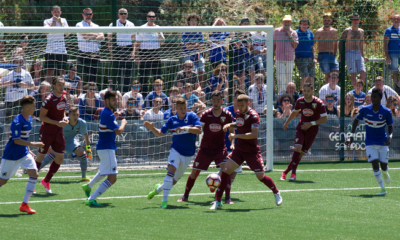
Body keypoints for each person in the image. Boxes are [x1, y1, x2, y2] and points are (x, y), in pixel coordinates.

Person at [211, 94, 282, 210]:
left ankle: (276, 192)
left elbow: (254, 134)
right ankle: (217, 201)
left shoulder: (254, 116)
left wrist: (236, 135)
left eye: (242, 105)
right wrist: (230, 124)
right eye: (238, 105)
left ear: (248, 103)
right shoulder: (238, 113)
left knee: (260, 176)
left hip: (252, 152)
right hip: (239, 150)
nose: (239, 108)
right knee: (226, 171)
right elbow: (239, 123)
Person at [176, 91, 234, 203]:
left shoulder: (227, 115)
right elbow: (198, 129)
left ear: (222, 101)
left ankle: (227, 197)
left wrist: (232, 143)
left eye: (218, 101)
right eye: (214, 100)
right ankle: (185, 196)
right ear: (211, 101)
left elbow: (231, 131)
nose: (216, 103)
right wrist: (186, 130)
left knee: (226, 171)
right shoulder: (206, 114)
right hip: (205, 149)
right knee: (194, 173)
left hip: (219, 149)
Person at [145, 97, 202, 209]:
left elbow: (199, 130)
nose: (183, 110)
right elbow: (160, 133)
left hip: (188, 154)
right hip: (175, 150)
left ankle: (157, 189)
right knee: (171, 171)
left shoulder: (192, 116)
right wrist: (152, 128)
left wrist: (184, 128)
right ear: (175, 108)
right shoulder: (172, 120)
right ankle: (164, 201)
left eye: (184, 107)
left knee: (174, 181)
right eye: (180, 108)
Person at [82, 90, 127, 206]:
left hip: (104, 147)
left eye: (116, 99)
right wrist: (123, 123)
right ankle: (92, 198)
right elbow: (119, 132)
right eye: (113, 100)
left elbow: (109, 126)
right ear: (106, 101)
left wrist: (115, 118)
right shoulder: (107, 113)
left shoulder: (108, 113)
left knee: (103, 172)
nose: (115, 102)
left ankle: (88, 186)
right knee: (112, 178)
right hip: (107, 148)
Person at [0, 96, 45, 214]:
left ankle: (24, 205)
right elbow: (16, 140)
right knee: (3, 181)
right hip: (11, 155)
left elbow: (25, 137)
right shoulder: (17, 121)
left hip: (23, 153)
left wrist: (28, 148)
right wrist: (34, 144)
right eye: (34, 106)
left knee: (34, 173)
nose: (36, 108)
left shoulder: (30, 118)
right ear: (27, 107)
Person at [345, 88, 393, 196]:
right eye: (372, 97)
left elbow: (390, 126)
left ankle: (385, 172)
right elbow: (356, 120)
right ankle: (382, 189)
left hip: (382, 142)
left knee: (384, 166)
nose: (373, 99)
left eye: (375, 97)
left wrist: (390, 136)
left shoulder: (386, 112)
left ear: (380, 98)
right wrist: (351, 137)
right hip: (370, 142)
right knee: (374, 163)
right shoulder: (365, 109)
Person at [281, 83, 328, 181]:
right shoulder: (300, 101)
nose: (305, 93)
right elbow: (295, 112)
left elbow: (324, 118)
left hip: (312, 130)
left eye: (308, 91)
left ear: (312, 92)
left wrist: (311, 123)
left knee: (300, 155)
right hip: (301, 127)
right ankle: (293, 174)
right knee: (297, 148)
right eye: (304, 91)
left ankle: (285, 172)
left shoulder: (319, 103)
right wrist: (286, 122)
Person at [38, 107, 92, 181]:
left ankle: (84, 176)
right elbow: (52, 132)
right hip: (58, 141)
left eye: (77, 114)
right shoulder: (63, 122)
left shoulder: (82, 123)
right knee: (52, 155)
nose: (75, 117)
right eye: (73, 115)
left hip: (70, 141)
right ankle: (34, 171)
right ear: (68, 115)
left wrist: (88, 148)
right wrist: (49, 145)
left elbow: (85, 134)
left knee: (83, 154)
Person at [35, 77, 68, 194]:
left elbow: (62, 109)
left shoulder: (64, 95)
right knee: (40, 157)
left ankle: (46, 180)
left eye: (63, 84)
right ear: (54, 85)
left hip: (58, 132)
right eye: (59, 84)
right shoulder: (48, 99)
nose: (61, 87)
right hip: (47, 132)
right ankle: (32, 182)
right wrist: (56, 123)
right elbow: (41, 117)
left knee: (60, 158)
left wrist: (64, 117)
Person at [135, 11, 165, 95]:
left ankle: (156, 96)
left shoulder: (158, 27)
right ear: (147, 18)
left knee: (157, 76)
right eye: (150, 16)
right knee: (143, 77)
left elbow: (162, 42)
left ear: (155, 18)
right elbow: (137, 43)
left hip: (155, 53)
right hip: (144, 53)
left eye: (153, 16)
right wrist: (137, 57)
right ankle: (143, 96)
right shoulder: (142, 27)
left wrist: (158, 33)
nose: (151, 18)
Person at [108, 8, 136, 93]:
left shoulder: (131, 24)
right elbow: (109, 40)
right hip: (118, 49)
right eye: (121, 13)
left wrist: (134, 52)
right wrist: (111, 54)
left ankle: (126, 94)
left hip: (129, 49)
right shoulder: (113, 24)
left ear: (127, 15)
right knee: (117, 75)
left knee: (128, 75)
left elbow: (134, 40)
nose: (123, 15)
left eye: (125, 13)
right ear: (118, 15)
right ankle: (116, 93)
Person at [0, 57, 34, 123]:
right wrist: (7, 83)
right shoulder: (8, 73)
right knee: (8, 122)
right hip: (10, 101)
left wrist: (24, 85)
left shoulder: (26, 73)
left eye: (20, 62)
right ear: (13, 63)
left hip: (22, 101)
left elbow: (32, 86)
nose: (18, 64)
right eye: (16, 62)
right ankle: (8, 133)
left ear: (22, 63)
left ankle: (22, 133)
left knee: (23, 121)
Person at [76, 8, 105, 83]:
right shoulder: (79, 25)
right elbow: (85, 36)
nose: (88, 16)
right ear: (83, 15)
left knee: (94, 76)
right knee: (87, 76)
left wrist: (90, 35)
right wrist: (96, 35)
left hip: (95, 54)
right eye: (86, 14)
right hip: (84, 54)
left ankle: (93, 93)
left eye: (90, 14)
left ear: (92, 15)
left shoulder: (96, 26)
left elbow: (102, 37)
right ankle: (87, 93)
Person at [339, 13, 368, 87]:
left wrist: (363, 56)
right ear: (351, 20)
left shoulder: (361, 31)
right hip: (349, 51)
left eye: (357, 19)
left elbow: (361, 44)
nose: (355, 21)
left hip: (358, 52)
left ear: (359, 21)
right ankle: (355, 91)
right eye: (354, 19)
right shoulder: (347, 30)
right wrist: (340, 54)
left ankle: (360, 90)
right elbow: (340, 42)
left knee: (363, 72)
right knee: (353, 74)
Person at [43, 5, 69, 83]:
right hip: (50, 50)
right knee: (50, 72)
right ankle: (48, 90)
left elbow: (67, 34)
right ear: (52, 12)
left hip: (61, 51)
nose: (56, 14)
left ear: (60, 12)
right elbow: (46, 32)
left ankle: (62, 90)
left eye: (58, 12)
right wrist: (53, 22)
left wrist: (60, 23)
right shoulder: (47, 21)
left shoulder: (63, 20)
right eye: (55, 12)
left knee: (62, 72)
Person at [273, 15, 299, 94]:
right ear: (282, 22)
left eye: (288, 21)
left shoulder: (294, 33)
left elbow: (295, 45)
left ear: (291, 22)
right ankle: (281, 96)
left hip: (289, 59)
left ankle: (289, 96)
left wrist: (290, 35)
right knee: (280, 79)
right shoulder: (277, 31)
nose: (287, 23)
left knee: (288, 79)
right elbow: (274, 45)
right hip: (279, 59)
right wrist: (272, 57)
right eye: (285, 21)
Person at [314, 12, 339, 83]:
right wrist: (315, 57)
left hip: (331, 55)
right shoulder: (319, 31)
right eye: (325, 20)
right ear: (323, 21)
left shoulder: (334, 31)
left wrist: (334, 54)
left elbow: (335, 43)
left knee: (336, 72)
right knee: (327, 74)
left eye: (328, 20)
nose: (327, 22)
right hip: (323, 54)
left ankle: (334, 89)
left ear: (331, 21)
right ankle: (327, 91)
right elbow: (313, 44)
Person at [182, 13, 205, 87]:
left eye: (195, 21)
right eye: (192, 21)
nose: (193, 23)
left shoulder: (199, 32)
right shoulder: (185, 31)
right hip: (188, 54)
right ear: (189, 22)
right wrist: (196, 45)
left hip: (197, 54)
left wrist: (193, 45)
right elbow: (187, 47)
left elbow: (202, 47)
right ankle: (191, 88)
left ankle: (201, 89)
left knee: (202, 63)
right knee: (192, 70)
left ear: (197, 23)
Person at [295, 18, 317, 93]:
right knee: (305, 75)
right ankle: (302, 92)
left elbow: (312, 46)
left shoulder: (310, 33)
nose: (304, 25)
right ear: (299, 24)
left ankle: (311, 93)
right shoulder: (296, 33)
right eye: (302, 24)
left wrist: (314, 58)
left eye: (306, 24)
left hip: (310, 57)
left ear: (308, 25)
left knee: (311, 77)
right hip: (300, 58)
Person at [235, 17, 254, 85]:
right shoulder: (237, 32)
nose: (246, 25)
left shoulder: (248, 32)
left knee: (252, 71)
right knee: (242, 72)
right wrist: (242, 35)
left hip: (246, 54)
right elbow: (237, 46)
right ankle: (242, 89)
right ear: (241, 24)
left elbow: (249, 47)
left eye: (247, 24)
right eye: (245, 23)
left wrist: (248, 37)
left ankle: (253, 88)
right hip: (239, 54)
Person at [384, 14, 400, 94]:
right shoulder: (388, 30)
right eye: (395, 19)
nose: (396, 20)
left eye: (398, 19)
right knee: (395, 72)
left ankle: (398, 85)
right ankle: (396, 90)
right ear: (392, 20)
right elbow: (385, 44)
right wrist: (387, 56)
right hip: (393, 53)